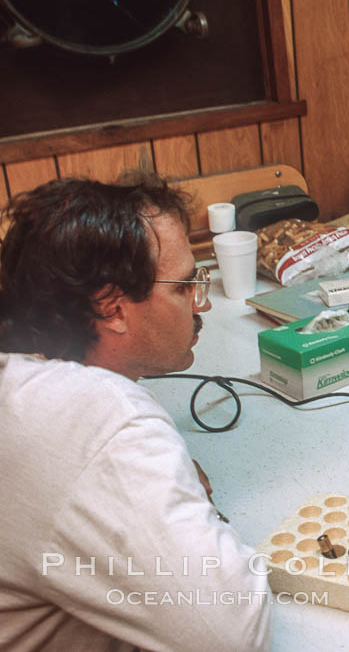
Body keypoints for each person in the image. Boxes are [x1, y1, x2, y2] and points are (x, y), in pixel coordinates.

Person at [0, 176, 272, 650]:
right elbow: (231, 633)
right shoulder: (101, 417)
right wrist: (192, 506)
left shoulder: (25, 381)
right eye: (185, 286)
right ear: (111, 307)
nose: (201, 302)